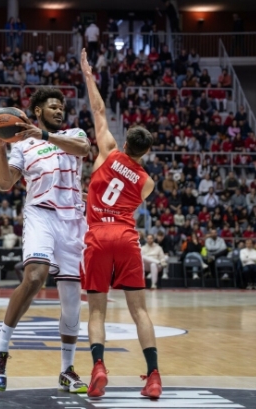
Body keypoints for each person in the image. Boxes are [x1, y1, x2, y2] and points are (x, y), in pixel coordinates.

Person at [0, 87, 90, 392]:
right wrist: (2, 148)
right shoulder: (23, 145)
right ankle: (0, 348)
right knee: (35, 276)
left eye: (61, 107)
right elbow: (5, 184)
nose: (59, 111)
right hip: (41, 214)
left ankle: (67, 370)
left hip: (73, 220)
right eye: (53, 107)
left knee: (71, 302)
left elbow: (83, 150)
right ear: (39, 111)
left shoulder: (73, 133)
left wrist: (43, 135)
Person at [80, 49, 162, 399]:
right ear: (145, 152)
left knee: (97, 310)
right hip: (127, 238)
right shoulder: (147, 182)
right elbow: (131, 189)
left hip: (98, 236)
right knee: (140, 310)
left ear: (126, 141)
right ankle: (154, 376)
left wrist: (88, 73)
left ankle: (99, 367)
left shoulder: (108, 152)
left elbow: (98, 109)